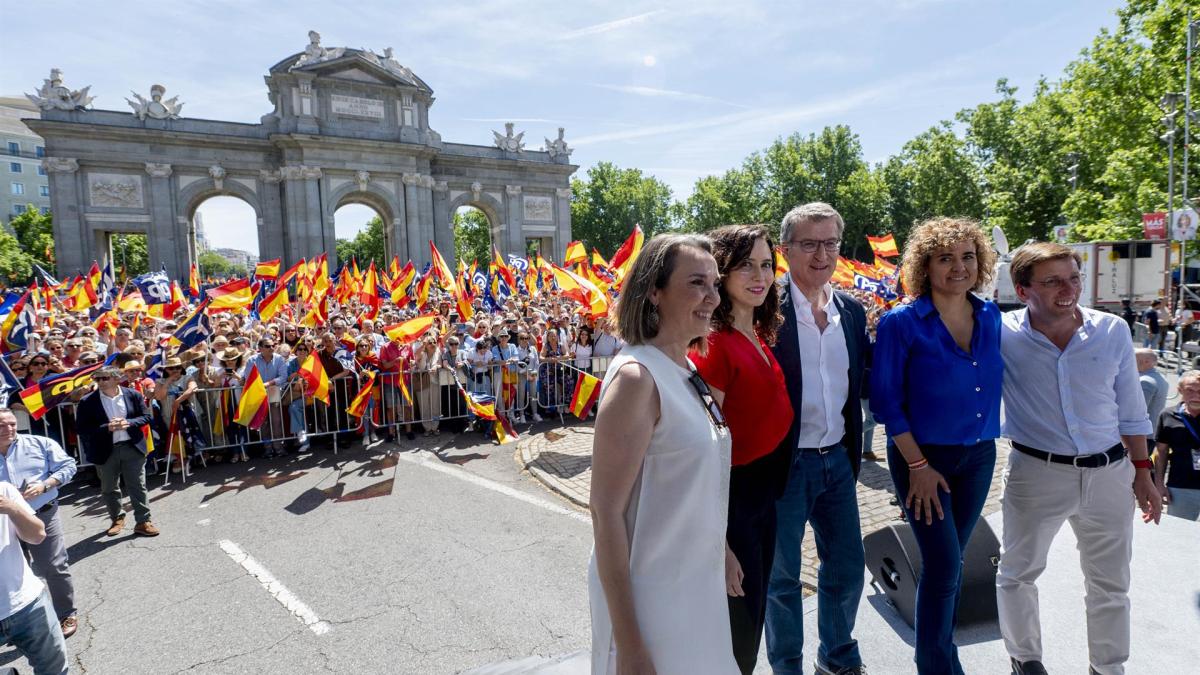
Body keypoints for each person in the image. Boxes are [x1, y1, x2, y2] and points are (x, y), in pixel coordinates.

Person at [997, 242, 1160, 675]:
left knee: (1111, 584)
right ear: (1023, 288)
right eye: (1052, 281)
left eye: (1073, 278)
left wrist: (1144, 472)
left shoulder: (1112, 330)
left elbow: (1131, 408)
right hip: (1036, 472)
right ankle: (1026, 660)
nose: (1068, 289)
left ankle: (1107, 667)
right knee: (1017, 574)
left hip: (1110, 474)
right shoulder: (1000, 333)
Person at [589, 233, 737, 674]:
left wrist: (721, 546)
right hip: (652, 601)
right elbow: (605, 513)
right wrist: (630, 645)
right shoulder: (637, 378)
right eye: (696, 283)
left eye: (714, 284)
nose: (712, 297)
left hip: (697, 585)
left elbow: (693, 479)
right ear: (654, 291)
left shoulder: (686, 368)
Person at [870, 218, 1002, 674]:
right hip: (923, 460)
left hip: (980, 457)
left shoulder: (990, 315)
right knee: (945, 568)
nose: (958, 266)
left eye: (968, 256)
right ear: (925, 266)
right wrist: (919, 466)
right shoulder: (901, 322)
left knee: (951, 565)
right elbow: (887, 404)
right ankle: (937, 666)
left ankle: (941, 658)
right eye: (945, 258)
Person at [766, 203, 870, 675]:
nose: (822, 253)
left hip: (838, 462)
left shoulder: (850, 309)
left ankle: (836, 656)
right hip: (785, 466)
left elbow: (860, 385)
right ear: (785, 250)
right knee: (782, 578)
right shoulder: (765, 309)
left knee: (847, 568)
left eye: (830, 242)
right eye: (809, 243)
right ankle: (787, 666)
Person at [690, 224, 794, 674]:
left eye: (767, 264)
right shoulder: (715, 347)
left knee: (751, 622)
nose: (760, 275)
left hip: (763, 500)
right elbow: (705, 450)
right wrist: (723, 541)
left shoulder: (758, 334)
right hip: (733, 502)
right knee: (739, 634)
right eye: (745, 265)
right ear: (721, 272)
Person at [0, 408, 79, 639]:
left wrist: (46, 484)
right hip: (5, 520)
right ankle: (22, 621)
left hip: (42, 512)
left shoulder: (39, 443)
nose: (10, 429)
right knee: (14, 570)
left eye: (12, 424)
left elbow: (69, 466)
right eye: (2, 425)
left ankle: (66, 613)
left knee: (53, 565)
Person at [76, 366, 161, 537]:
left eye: (104, 378)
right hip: (105, 450)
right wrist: (107, 427)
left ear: (116, 378)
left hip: (132, 446)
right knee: (109, 487)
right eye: (97, 379)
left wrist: (128, 422)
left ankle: (143, 521)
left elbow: (146, 417)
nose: (100, 382)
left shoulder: (133, 394)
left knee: (137, 485)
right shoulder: (87, 401)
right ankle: (117, 518)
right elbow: (82, 428)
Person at [0, 465, 67, 674]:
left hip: (27, 605)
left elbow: (37, 535)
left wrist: (12, 508)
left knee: (54, 670)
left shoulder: (5, 491)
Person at [1153, 370, 1200, 520]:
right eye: (1190, 390)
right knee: (1183, 536)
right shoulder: (1168, 415)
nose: (1196, 396)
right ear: (1180, 390)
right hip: (1181, 487)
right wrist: (1159, 484)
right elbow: (1161, 452)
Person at [1136, 348, 1167, 446]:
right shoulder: (1160, 378)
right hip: (1150, 433)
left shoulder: (1144, 381)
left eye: (1134, 359)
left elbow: (1137, 411)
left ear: (1145, 361)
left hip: (1140, 435)